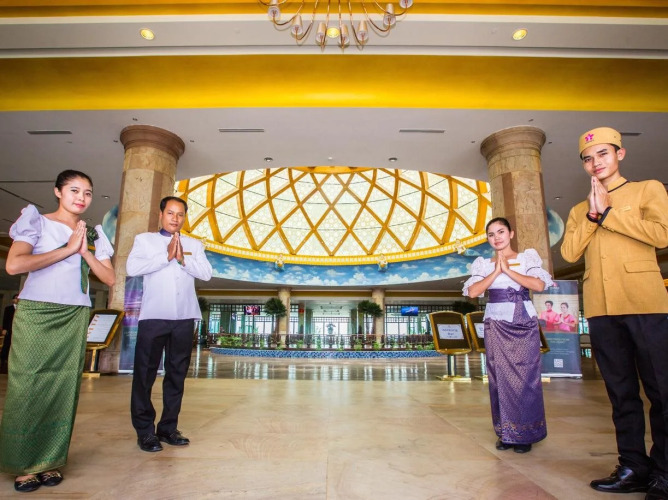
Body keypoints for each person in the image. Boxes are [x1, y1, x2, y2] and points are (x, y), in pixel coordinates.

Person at [562, 127, 668, 499]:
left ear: (620, 154)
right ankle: (633, 467)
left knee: (661, 391)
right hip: (601, 309)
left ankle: (665, 473)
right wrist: (592, 216)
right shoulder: (578, 210)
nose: (595, 163)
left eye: (603, 154)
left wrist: (608, 213)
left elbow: (662, 234)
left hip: (645, 304)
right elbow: (569, 253)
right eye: (588, 159)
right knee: (621, 393)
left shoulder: (647, 189)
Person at [0, 170, 115, 493]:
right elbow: (14, 265)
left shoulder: (93, 234)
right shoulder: (37, 222)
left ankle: (49, 461)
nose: (81, 197)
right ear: (58, 192)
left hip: (75, 313)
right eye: (74, 190)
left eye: (87, 193)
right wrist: (67, 249)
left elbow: (109, 279)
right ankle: (24, 465)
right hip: (37, 311)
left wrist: (84, 251)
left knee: (63, 387)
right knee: (28, 385)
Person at [127, 196, 212, 453]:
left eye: (180, 214)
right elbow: (132, 268)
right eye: (171, 213)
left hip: (184, 318)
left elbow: (206, 273)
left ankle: (168, 428)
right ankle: (145, 431)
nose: (176, 218)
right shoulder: (145, 240)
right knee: (145, 375)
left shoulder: (194, 244)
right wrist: (166, 257)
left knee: (176, 375)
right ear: (161, 214)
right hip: (154, 317)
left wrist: (183, 259)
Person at [463, 217, 553, 454]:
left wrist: (509, 271)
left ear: (511, 233)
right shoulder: (483, 264)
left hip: (523, 322)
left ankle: (525, 434)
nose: (496, 238)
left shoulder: (527, 258)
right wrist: (496, 271)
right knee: (498, 378)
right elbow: (473, 292)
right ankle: (506, 432)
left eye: (501, 232)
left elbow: (538, 285)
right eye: (491, 234)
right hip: (495, 323)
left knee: (525, 378)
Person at [0, 294, 18, 374]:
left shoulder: (21, 309)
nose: (17, 299)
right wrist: (4, 328)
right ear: (13, 300)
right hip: (9, 330)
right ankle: (3, 361)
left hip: (17, 330)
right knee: (6, 345)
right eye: (16, 298)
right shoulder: (8, 308)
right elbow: (5, 319)